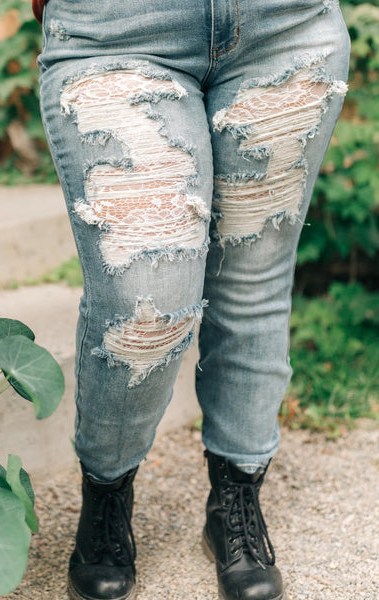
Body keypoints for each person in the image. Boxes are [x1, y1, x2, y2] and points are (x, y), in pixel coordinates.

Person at [33, 1, 350, 599]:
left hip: (284, 23)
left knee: (252, 277)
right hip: (116, 26)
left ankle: (235, 500)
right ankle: (106, 494)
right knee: (143, 301)